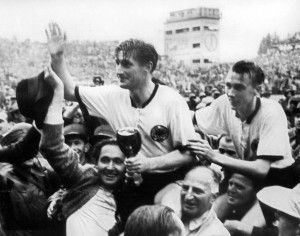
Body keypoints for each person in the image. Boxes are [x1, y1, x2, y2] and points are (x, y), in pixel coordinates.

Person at [46, 23, 197, 215]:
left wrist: (150, 164)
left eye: (126, 64)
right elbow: (69, 91)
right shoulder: (113, 95)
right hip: (130, 181)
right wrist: (57, 58)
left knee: (162, 224)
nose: (118, 70)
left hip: (169, 181)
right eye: (117, 63)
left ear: (147, 67)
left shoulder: (171, 101)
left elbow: (188, 153)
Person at [38, 66, 126, 236]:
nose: (110, 166)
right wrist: (58, 92)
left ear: (127, 164)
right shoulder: (84, 178)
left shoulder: (132, 192)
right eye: (105, 160)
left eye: (118, 161)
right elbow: (52, 146)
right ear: (96, 162)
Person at [192, 60, 294, 187]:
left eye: (239, 87)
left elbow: (261, 169)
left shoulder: (272, 111)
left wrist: (213, 155)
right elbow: (192, 118)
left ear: (257, 90)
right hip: (246, 176)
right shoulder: (225, 102)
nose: (230, 93)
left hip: (277, 180)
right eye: (228, 85)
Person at [180, 166, 230, 236]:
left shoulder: (217, 233)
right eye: (185, 188)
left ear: (213, 197)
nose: (188, 196)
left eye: (197, 191)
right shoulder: (170, 213)